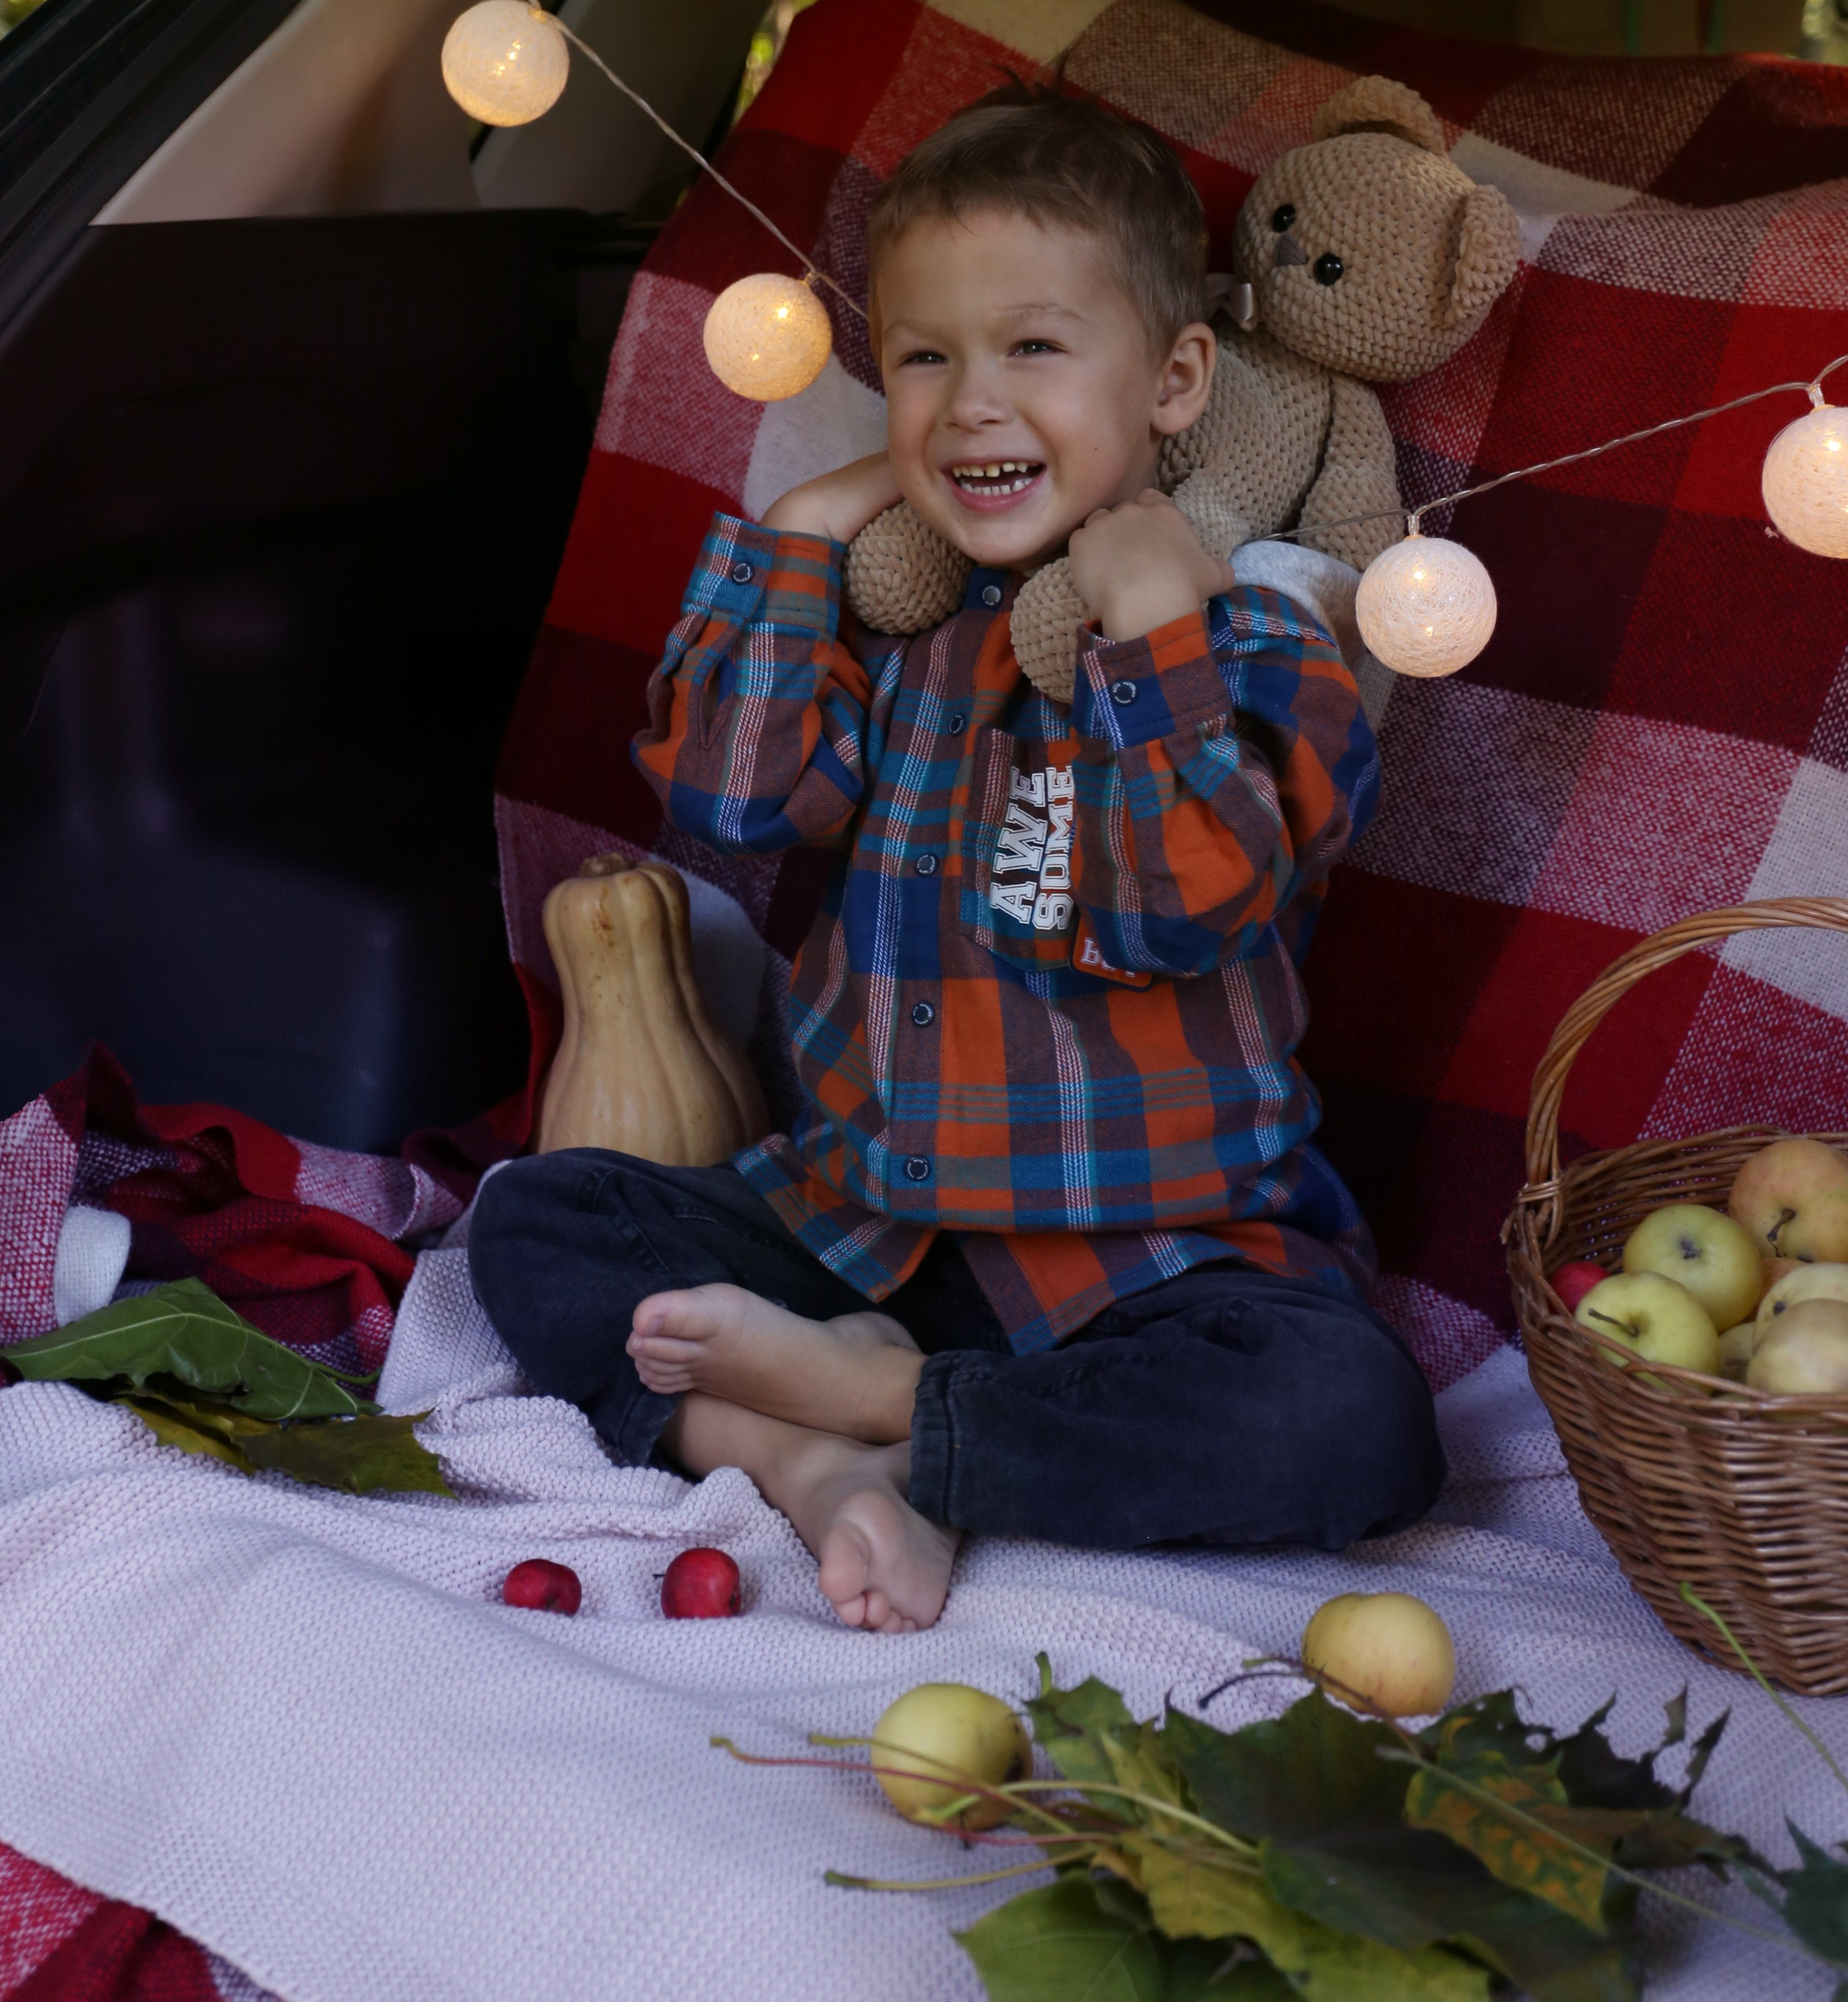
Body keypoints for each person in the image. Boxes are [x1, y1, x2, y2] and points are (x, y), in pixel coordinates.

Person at [470, 85, 1443, 1633]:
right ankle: (809, 1454)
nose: (971, 404)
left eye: (1033, 348)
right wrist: (798, 530)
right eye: (925, 358)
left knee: (1347, 1420)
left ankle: (898, 1419)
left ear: (1176, 376)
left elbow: (1191, 902)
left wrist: (1151, 635)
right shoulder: (912, 632)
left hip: (1144, 1263)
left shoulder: (1257, 643)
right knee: (535, 1219)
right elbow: (728, 792)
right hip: (855, 1227)